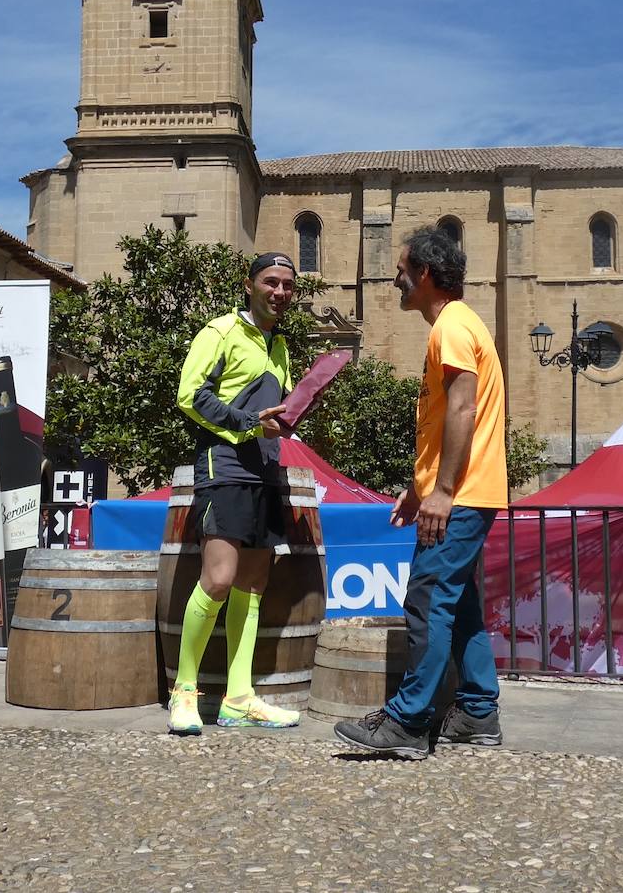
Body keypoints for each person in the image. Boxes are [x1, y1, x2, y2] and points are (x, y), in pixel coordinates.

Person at [334, 225, 508, 760]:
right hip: (467, 493)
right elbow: (439, 423)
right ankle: (478, 711)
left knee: (427, 600)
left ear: (426, 274)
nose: (395, 281)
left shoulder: (451, 328)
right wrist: (418, 488)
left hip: (461, 494)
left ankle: (408, 721)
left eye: (401, 271)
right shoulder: (458, 325)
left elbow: (462, 409)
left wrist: (444, 492)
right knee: (461, 604)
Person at [167, 251, 298, 735]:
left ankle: (238, 699)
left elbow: (272, 415)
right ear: (249, 285)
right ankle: (184, 692)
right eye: (271, 282)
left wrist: (289, 418)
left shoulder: (280, 346)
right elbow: (190, 395)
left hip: (266, 472)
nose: (280, 292)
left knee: (252, 586)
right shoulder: (219, 331)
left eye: (287, 285)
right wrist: (248, 425)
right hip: (222, 469)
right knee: (219, 580)